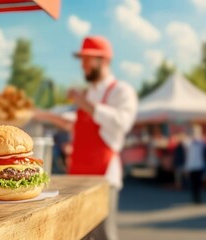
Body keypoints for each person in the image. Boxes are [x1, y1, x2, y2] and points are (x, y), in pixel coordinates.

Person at [34, 36, 138, 240]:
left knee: (103, 235)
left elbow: (122, 122)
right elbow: (74, 122)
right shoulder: (89, 94)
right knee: (78, 232)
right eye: (82, 60)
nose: (82, 65)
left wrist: (83, 102)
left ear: (103, 60)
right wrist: (40, 114)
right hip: (78, 175)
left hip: (104, 175)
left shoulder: (121, 91)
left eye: (87, 59)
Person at [182, 124, 206, 204]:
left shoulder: (201, 142)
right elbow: (187, 155)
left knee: (198, 183)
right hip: (191, 165)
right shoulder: (188, 142)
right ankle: (195, 197)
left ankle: (198, 197)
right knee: (193, 183)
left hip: (199, 165)